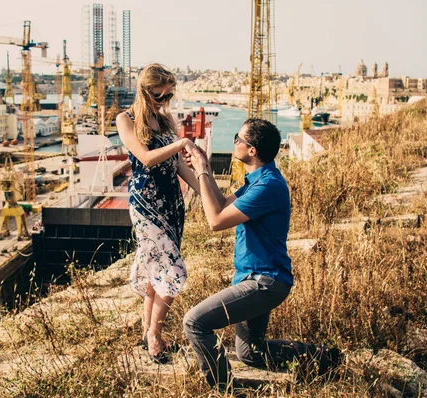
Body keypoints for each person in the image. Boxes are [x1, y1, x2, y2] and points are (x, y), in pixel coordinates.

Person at [183, 118, 340, 391]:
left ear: (252, 150)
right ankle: (326, 357)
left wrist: (201, 172)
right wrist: (202, 168)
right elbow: (219, 203)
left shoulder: (267, 186)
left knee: (195, 322)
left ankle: (226, 391)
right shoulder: (257, 181)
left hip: (263, 282)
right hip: (253, 278)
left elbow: (215, 220)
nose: (233, 142)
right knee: (250, 353)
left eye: (237, 139)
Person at [116, 63, 200, 364]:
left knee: (157, 266)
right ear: (144, 91)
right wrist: (181, 142)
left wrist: (206, 190)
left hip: (172, 202)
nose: (163, 102)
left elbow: (177, 165)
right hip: (147, 204)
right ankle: (155, 335)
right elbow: (147, 158)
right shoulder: (125, 119)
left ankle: (146, 330)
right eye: (157, 96)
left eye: (168, 96)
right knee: (171, 271)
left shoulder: (165, 121)